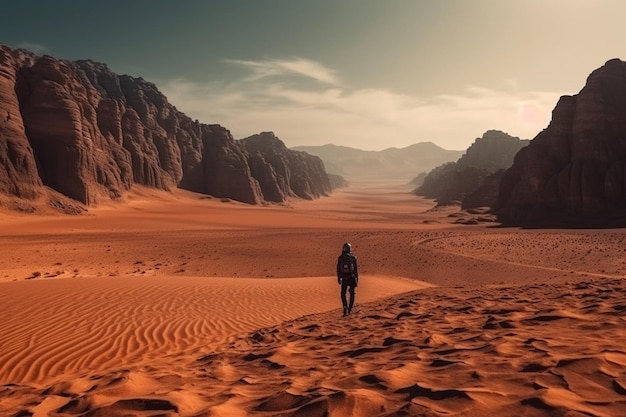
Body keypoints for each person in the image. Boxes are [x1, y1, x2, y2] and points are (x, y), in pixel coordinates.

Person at [337, 242, 359, 316]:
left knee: (343, 293)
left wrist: (339, 277)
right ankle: (350, 308)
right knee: (352, 293)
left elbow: (338, 268)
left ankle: (345, 307)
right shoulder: (353, 257)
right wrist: (356, 277)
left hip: (344, 278)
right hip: (352, 277)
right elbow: (355, 269)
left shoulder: (340, 258)